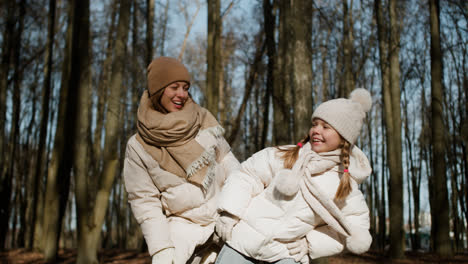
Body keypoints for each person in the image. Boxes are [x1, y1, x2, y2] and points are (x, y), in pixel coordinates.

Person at [215, 89, 373, 264]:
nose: (316, 131)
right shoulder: (285, 156)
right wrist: (230, 213)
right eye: (315, 124)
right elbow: (247, 176)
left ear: (344, 138)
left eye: (326, 127)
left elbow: (354, 227)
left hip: (285, 254)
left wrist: (311, 243)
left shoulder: (344, 183)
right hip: (243, 240)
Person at [123, 56, 240, 264]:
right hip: (182, 227)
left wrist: (234, 209)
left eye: (185, 88)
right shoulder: (138, 145)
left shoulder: (203, 119)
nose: (182, 94)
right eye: (174, 87)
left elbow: (229, 163)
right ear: (158, 90)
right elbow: (144, 200)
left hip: (225, 218)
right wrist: (161, 248)